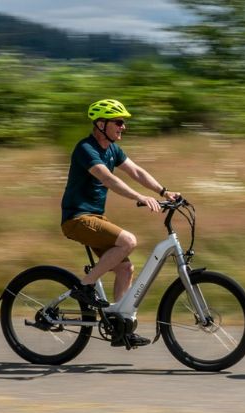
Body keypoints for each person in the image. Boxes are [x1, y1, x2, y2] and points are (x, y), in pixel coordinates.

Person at [60, 99, 179, 347]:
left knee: (126, 269)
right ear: (101, 123)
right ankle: (84, 287)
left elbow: (136, 172)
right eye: (119, 122)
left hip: (95, 219)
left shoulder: (113, 149)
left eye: (123, 122)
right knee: (128, 241)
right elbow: (108, 180)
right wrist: (140, 197)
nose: (123, 127)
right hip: (77, 219)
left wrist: (163, 192)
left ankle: (120, 326)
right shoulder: (86, 149)